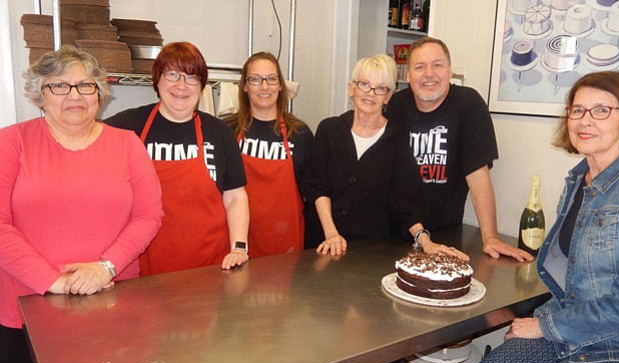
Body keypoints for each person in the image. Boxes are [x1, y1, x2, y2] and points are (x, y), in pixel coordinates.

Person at [469, 71, 619, 363]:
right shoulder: (579, 179)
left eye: (601, 110)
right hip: (580, 324)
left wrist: (545, 326)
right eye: (577, 110)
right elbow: (573, 281)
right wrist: (541, 322)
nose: (585, 121)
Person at [0, 45, 163, 363]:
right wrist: (51, 280)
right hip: (26, 310)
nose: (74, 95)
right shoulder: (11, 142)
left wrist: (104, 267)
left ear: (100, 94)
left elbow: (149, 215)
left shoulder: (127, 144)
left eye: (86, 86)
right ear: (40, 95)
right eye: (60, 86)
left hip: (113, 305)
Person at [301, 53, 468, 260]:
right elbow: (317, 186)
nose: (370, 93)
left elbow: (405, 202)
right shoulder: (329, 130)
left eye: (380, 88)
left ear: (388, 96)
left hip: (371, 252)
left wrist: (426, 241)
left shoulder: (397, 138)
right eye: (364, 84)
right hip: (322, 244)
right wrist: (332, 234)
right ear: (351, 88)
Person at [105, 41, 249, 273]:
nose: (182, 85)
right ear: (157, 80)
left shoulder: (218, 131)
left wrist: (239, 247)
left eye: (192, 77)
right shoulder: (127, 126)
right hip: (145, 263)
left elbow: (235, 197)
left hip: (210, 265)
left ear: (201, 85)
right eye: (172, 74)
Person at [385, 36, 532, 262]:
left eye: (437, 65)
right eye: (419, 67)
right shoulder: (396, 106)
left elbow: (477, 174)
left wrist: (490, 237)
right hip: (393, 232)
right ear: (408, 75)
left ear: (450, 70)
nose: (429, 74)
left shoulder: (468, 104)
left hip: (445, 233)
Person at [223, 52, 313, 258]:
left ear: (281, 85)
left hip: (286, 246)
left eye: (271, 79)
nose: (264, 87)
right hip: (237, 243)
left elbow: (311, 193)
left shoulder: (300, 134)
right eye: (255, 79)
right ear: (244, 86)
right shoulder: (226, 131)